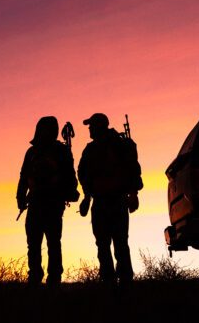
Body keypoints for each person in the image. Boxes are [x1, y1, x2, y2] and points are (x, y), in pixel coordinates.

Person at [77, 112, 143, 287]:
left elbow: (132, 169)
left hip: (115, 201)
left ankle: (122, 282)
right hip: (102, 202)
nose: (90, 129)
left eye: (91, 126)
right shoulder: (92, 149)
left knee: (118, 243)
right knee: (105, 244)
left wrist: (133, 194)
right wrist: (87, 196)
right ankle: (111, 282)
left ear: (99, 126)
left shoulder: (118, 145)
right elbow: (83, 174)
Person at [16, 116, 79, 287]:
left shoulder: (60, 151)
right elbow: (24, 176)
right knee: (34, 244)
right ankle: (35, 277)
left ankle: (53, 279)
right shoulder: (32, 152)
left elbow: (70, 177)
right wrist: (20, 197)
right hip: (36, 203)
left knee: (53, 243)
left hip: (53, 204)